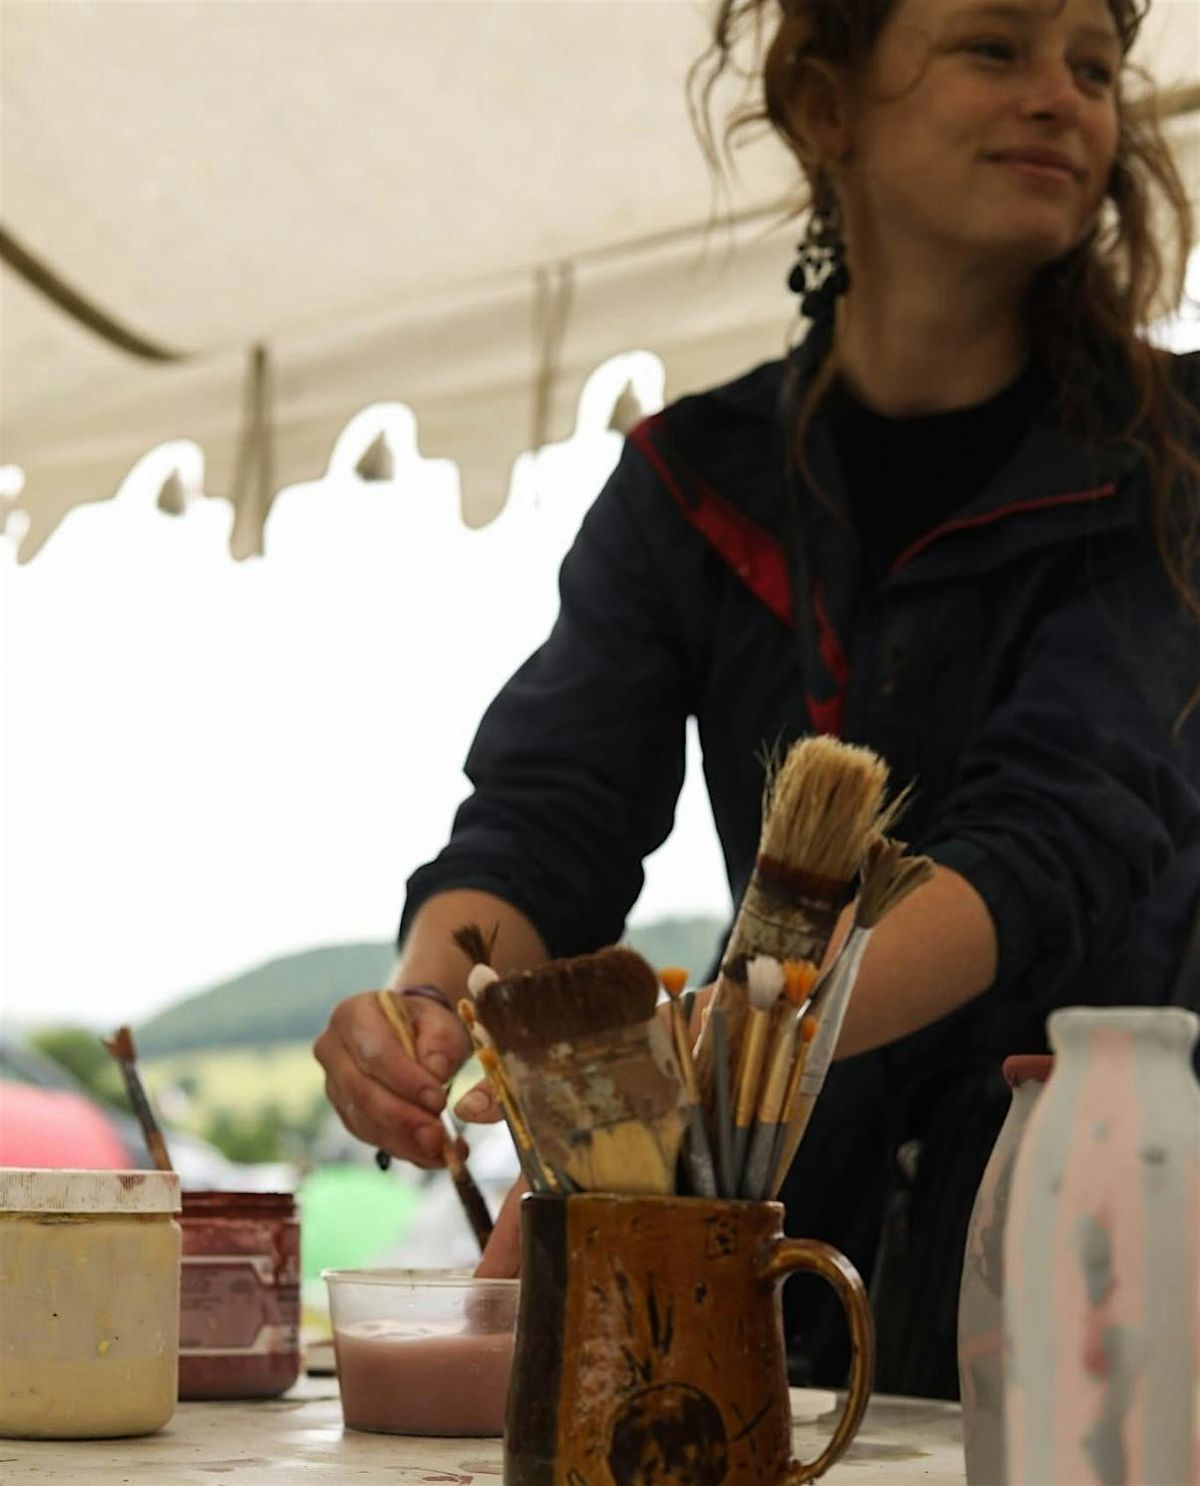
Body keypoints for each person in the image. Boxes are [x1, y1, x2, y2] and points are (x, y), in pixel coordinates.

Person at [315, 0, 1199, 1397]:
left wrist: (707, 1060)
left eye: (1094, 66)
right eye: (996, 48)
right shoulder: (691, 480)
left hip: (1118, 1267)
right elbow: (549, 815)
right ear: (827, 105)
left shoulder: (1175, 455)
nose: (1063, 97)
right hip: (801, 1280)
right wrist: (429, 1002)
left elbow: (1058, 831)